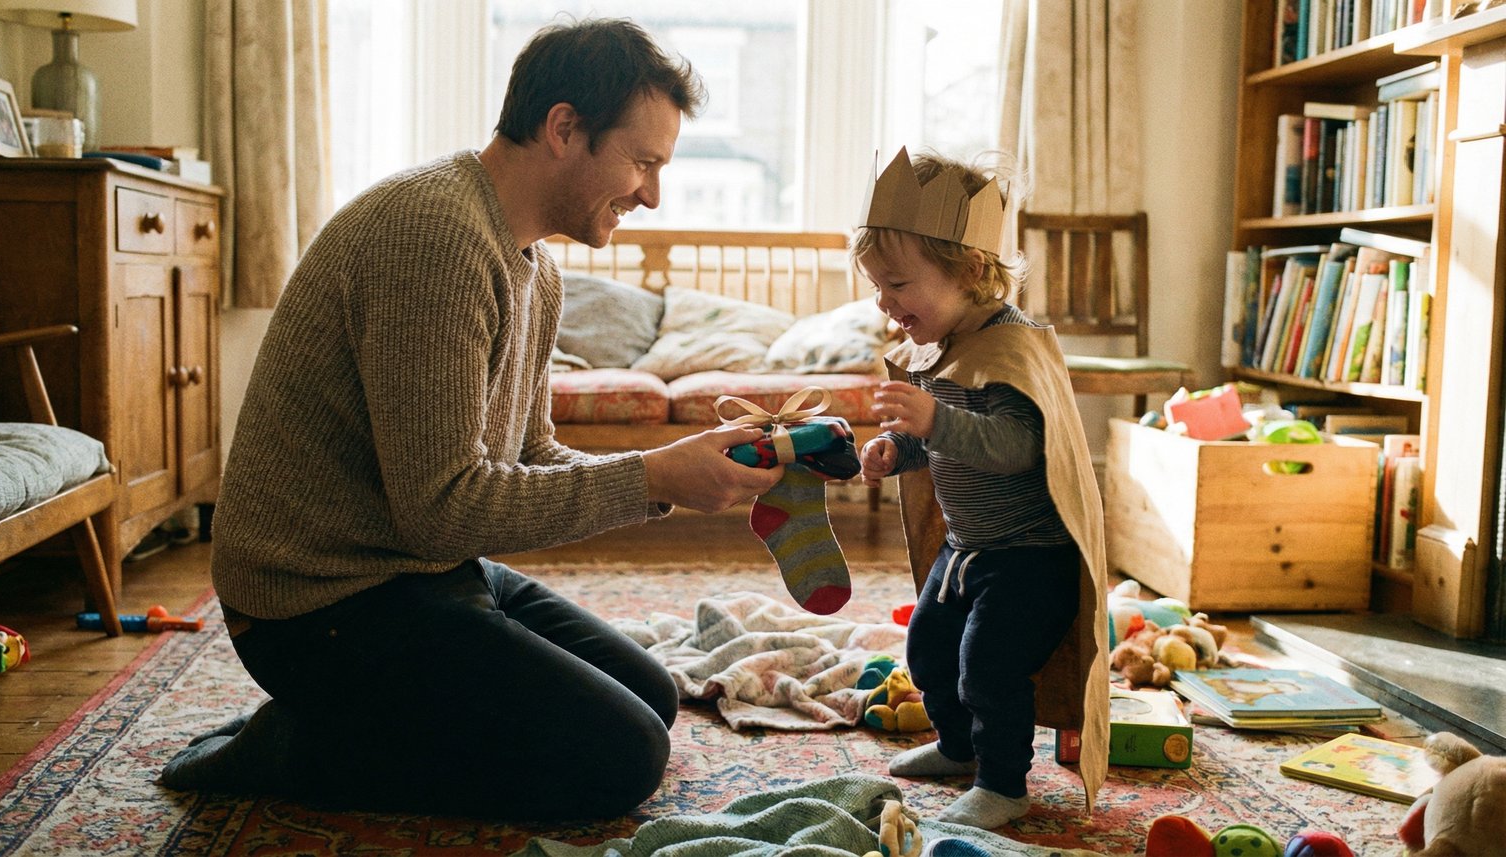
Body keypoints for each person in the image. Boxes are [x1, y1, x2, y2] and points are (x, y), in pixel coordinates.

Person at [158, 17, 782, 820]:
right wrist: (650, 475)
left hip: (419, 569)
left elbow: (529, 454)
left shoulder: (534, 266)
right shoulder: (434, 237)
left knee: (652, 697)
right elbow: (441, 509)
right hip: (314, 608)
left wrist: (669, 469)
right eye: (643, 162)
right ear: (564, 128)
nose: (651, 194)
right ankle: (302, 742)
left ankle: (370, 719)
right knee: (620, 759)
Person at [852, 148, 1109, 829]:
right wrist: (900, 449)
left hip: (1030, 557)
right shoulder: (946, 345)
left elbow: (1016, 448)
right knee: (928, 649)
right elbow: (945, 439)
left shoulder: (1011, 349)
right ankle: (960, 747)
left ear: (968, 271)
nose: (884, 303)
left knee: (988, 666)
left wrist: (933, 420)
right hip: (968, 547)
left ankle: (1003, 783)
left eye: (897, 284)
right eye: (877, 286)